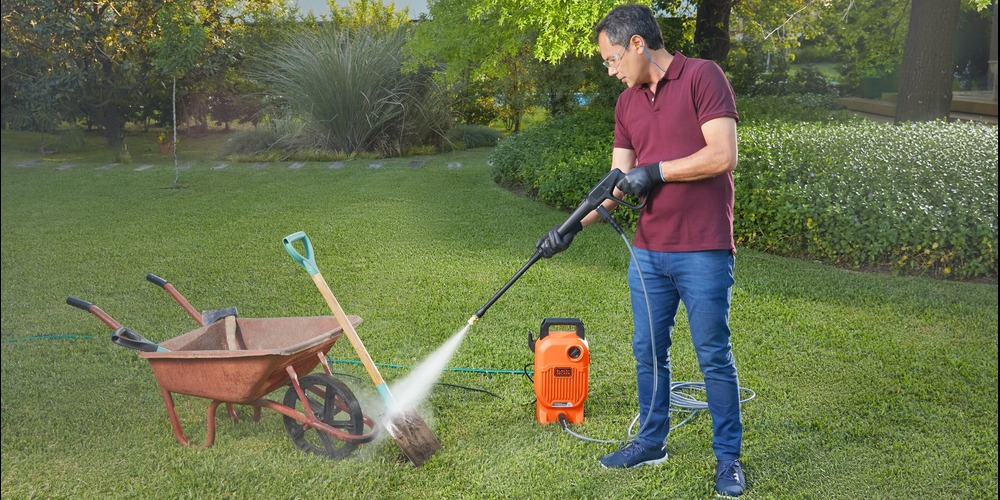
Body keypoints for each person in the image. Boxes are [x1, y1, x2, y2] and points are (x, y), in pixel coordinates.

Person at [535, 3, 745, 497]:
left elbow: (722, 154)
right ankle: (652, 441)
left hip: (703, 249)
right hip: (647, 251)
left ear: (636, 44)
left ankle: (728, 459)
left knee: (713, 355)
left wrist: (658, 171)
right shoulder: (627, 104)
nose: (611, 72)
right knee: (649, 351)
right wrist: (569, 229)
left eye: (611, 60)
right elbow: (615, 183)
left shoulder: (703, 77)